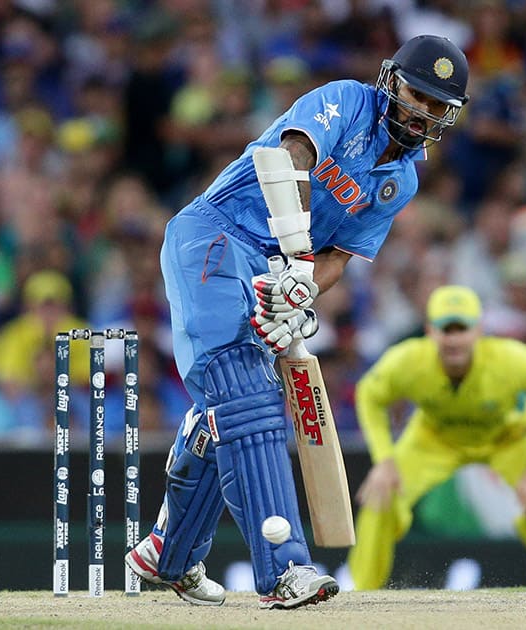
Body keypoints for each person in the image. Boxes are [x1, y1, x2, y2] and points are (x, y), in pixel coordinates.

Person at [124, 35, 471, 608]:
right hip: (216, 236)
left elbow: (341, 258)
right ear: (391, 81)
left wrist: (301, 290)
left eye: (439, 107)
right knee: (247, 392)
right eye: (418, 95)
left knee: (228, 409)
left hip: (278, 266)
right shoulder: (348, 101)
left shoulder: (402, 179)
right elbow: (291, 155)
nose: (423, 113)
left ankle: (169, 554)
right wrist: (295, 255)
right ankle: (285, 570)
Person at [347, 285, 526, 588]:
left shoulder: (512, 360)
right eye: (445, 329)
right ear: (429, 330)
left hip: (509, 437)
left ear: (479, 330)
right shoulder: (408, 361)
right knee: (381, 497)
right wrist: (384, 460)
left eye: (462, 329)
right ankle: (360, 597)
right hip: (436, 437)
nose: (453, 339)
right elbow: (369, 394)